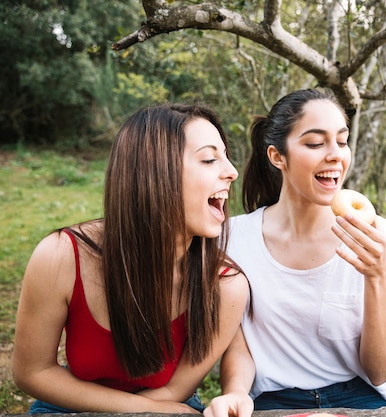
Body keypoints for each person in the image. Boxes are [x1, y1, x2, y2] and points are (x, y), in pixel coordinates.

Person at [12, 103, 253, 414]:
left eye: (226, 156)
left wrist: (153, 411)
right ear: (152, 173)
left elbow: (174, 391)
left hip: (168, 404)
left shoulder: (226, 286)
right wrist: (140, 409)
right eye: (209, 159)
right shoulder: (60, 256)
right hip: (67, 405)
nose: (232, 171)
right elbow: (32, 372)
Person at [212, 88, 386, 412]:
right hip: (273, 401)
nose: (336, 154)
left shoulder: (379, 236)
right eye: (315, 143)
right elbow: (240, 346)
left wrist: (377, 275)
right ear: (278, 156)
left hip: (360, 398)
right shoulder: (234, 239)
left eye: (342, 140)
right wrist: (236, 391)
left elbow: (380, 370)